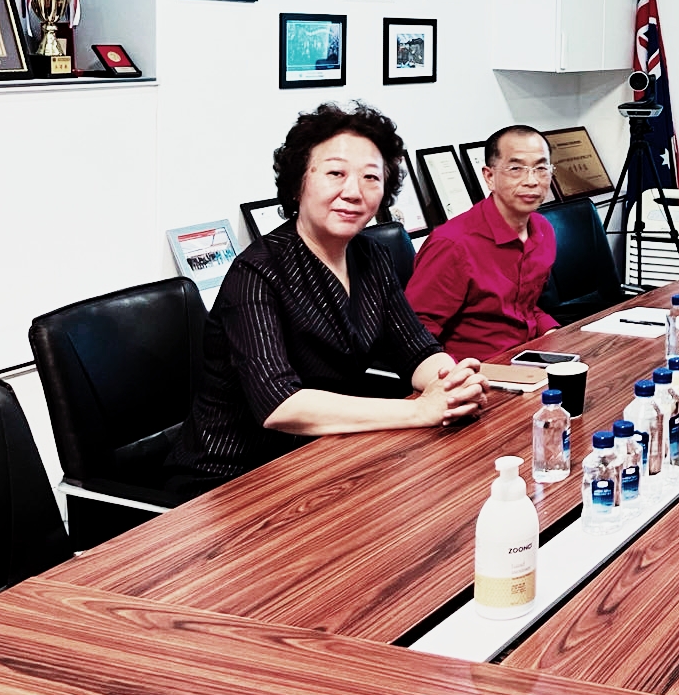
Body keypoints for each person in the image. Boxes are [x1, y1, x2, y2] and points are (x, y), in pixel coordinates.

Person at [165, 103, 488, 496]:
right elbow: (280, 405)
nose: (353, 192)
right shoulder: (256, 273)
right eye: (336, 173)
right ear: (298, 183)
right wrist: (420, 410)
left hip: (321, 458)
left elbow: (416, 350)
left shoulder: (371, 257)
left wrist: (451, 385)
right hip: (229, 479)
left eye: (371, 177)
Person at [407, 125, 560, 363]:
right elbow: (414, 332)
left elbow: (524, 307)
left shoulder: (543, 230)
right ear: (489, 177)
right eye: (516, 169)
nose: (531, 181)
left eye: (541, 168)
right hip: (476, 369)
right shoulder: (453, 244)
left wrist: (553, 333)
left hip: (528, 358)